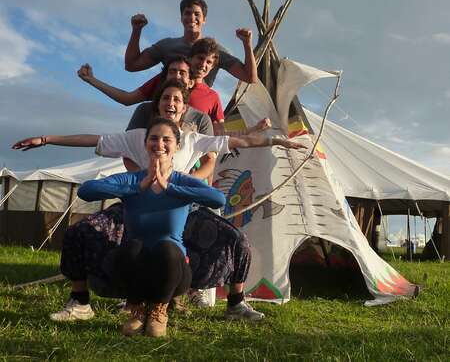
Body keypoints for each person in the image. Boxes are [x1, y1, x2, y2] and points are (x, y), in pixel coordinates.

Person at [13, 80, 306, 322]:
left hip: (182, 207)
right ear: (158, 105)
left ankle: (235, 304)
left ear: (185, 107)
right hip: (136, 203)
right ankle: (80, 301)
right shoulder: (138, 136)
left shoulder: (192, 139)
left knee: (237, 240)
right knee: (81, 231)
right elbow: (93, 139)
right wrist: (47, 138)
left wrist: (277, 141)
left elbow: (238, 142)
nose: (171, 102)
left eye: (177, 99)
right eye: (166, 97)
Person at [77, 117, 226, 337]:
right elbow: (86, 191)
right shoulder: (132, 180)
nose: (160, 144)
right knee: (130, 247)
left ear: (177, 146)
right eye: (153, 138)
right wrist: (138, 187)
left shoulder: (182, 181)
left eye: (167, 139)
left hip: (174, 272)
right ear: (146, 144)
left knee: (167, 248)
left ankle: (159, 310)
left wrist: (170, 188)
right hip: (136, 269)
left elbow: (218, 199)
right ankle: (137, 309)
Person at [78, 29, 255, 131]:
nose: (203, 65)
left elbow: (218, 136)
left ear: (214, 65)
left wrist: (254, 132)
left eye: (209, 62)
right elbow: (127, 98)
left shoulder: (212, 97)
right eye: (200, 59)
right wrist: (93, 80)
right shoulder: (165, 81)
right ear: (191, 58)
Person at [124, 0, 258, 86]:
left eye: (197, 14)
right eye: (187, 13)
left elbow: (250, 78)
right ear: (181, 17)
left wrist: (247, 44)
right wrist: (136, 30)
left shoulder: (216, 51)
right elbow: (131, 65)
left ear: (204, 20)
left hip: (197, 116)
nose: (192, 17)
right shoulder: (167, 46)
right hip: (169, 109)